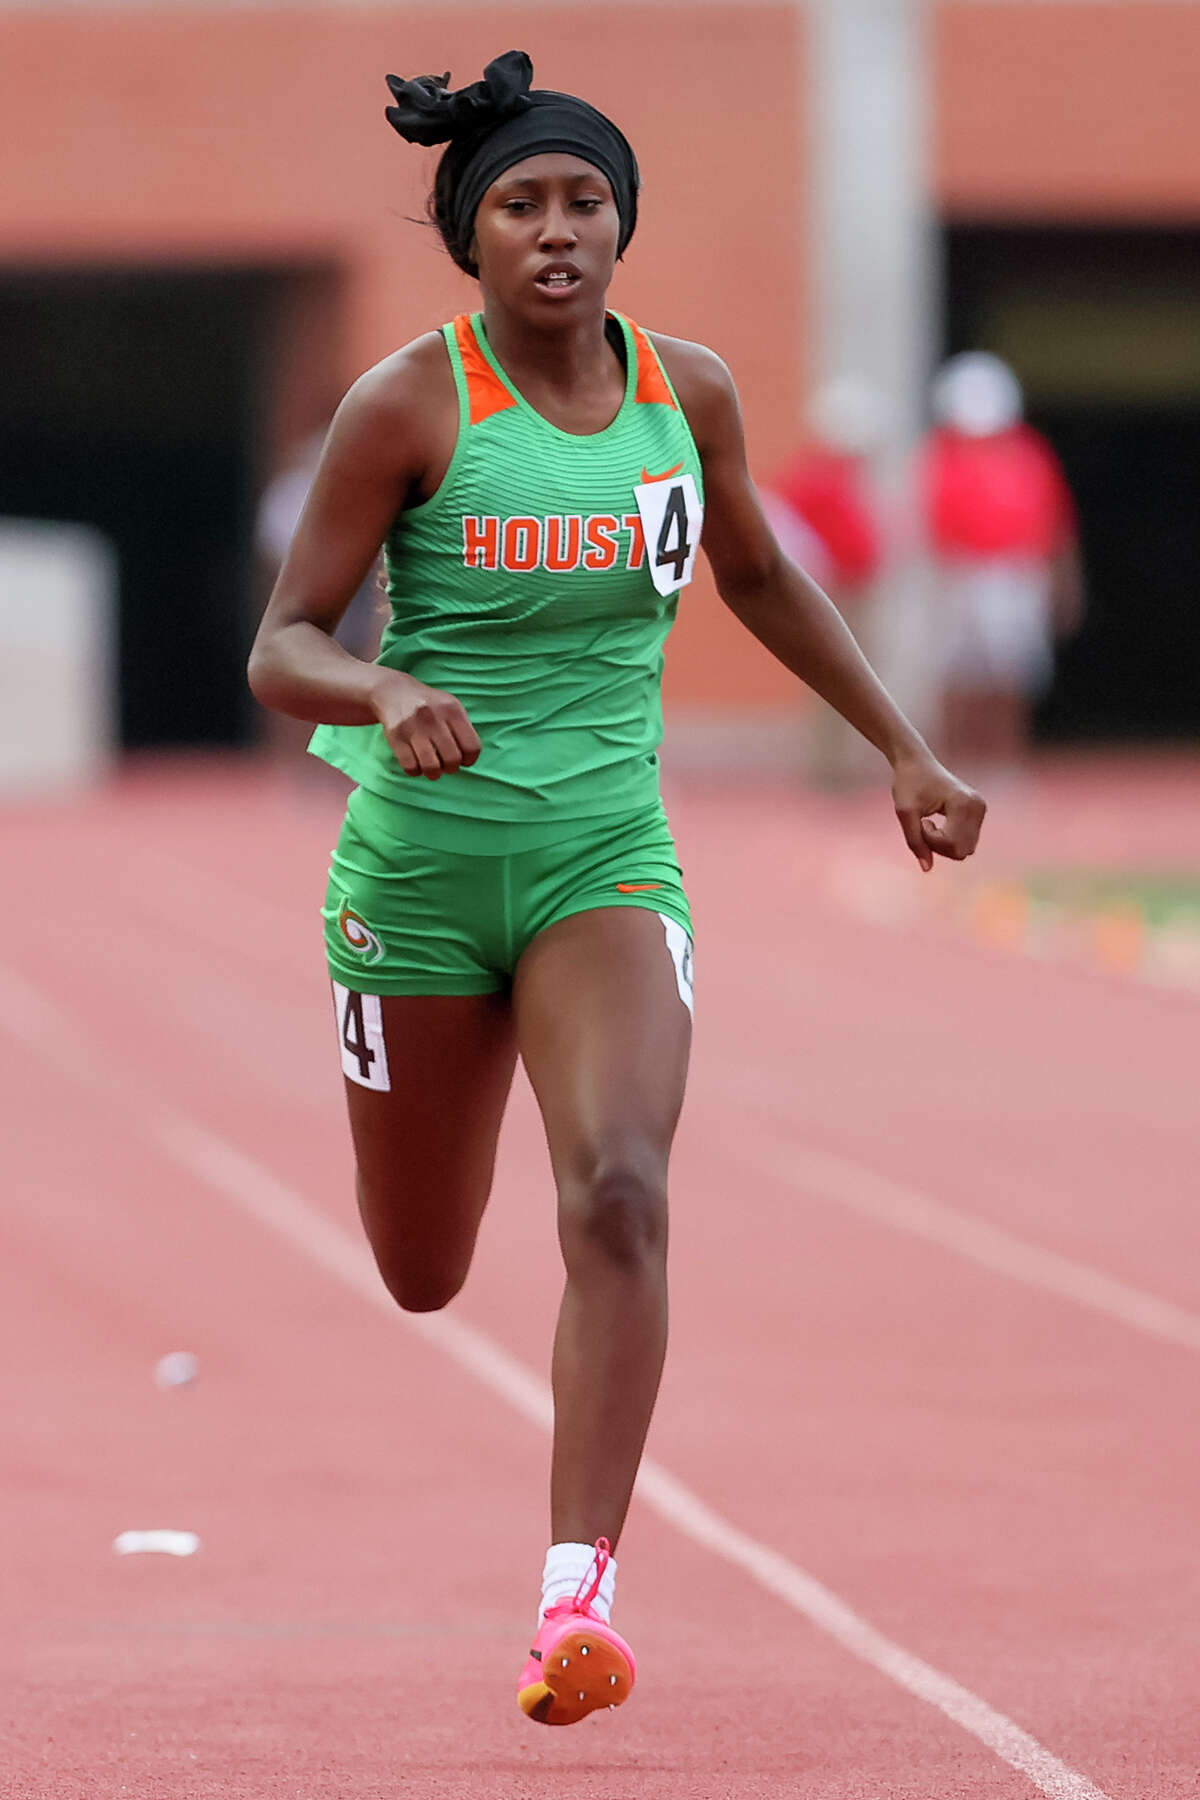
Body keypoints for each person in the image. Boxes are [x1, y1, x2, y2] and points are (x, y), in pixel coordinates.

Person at [247, 50, 985, 1729]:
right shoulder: (409, 404)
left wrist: (903, 749)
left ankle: (575, 1598)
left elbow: (760, 574)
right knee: (425, 1269)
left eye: (585, 202)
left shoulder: (688, 392)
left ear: (622, 223)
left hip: (603, 860)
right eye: (522, 206)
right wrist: (380, 693)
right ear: (475, 239)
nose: (559, 232)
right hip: (420, 884)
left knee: (621, 1194)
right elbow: (281, 643)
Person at [921, 352, 1084, 774]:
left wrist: (1064, 584)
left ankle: (1004, 765)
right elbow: (923, 527)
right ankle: (952, 767)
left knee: (1010, 676)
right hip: (957, 574)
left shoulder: (1031, 454)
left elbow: (1056, 525)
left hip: (1016, 576)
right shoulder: (940, 454)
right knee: (957, 677)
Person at [768, 376, 887, 785]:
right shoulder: (814, 477)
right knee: (839, 678)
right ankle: (832, 769)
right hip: (835, 593)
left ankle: (847, 764)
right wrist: (816, 574)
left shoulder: (845, 476)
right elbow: (780, 528)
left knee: (858, 679)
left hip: (856, 589)